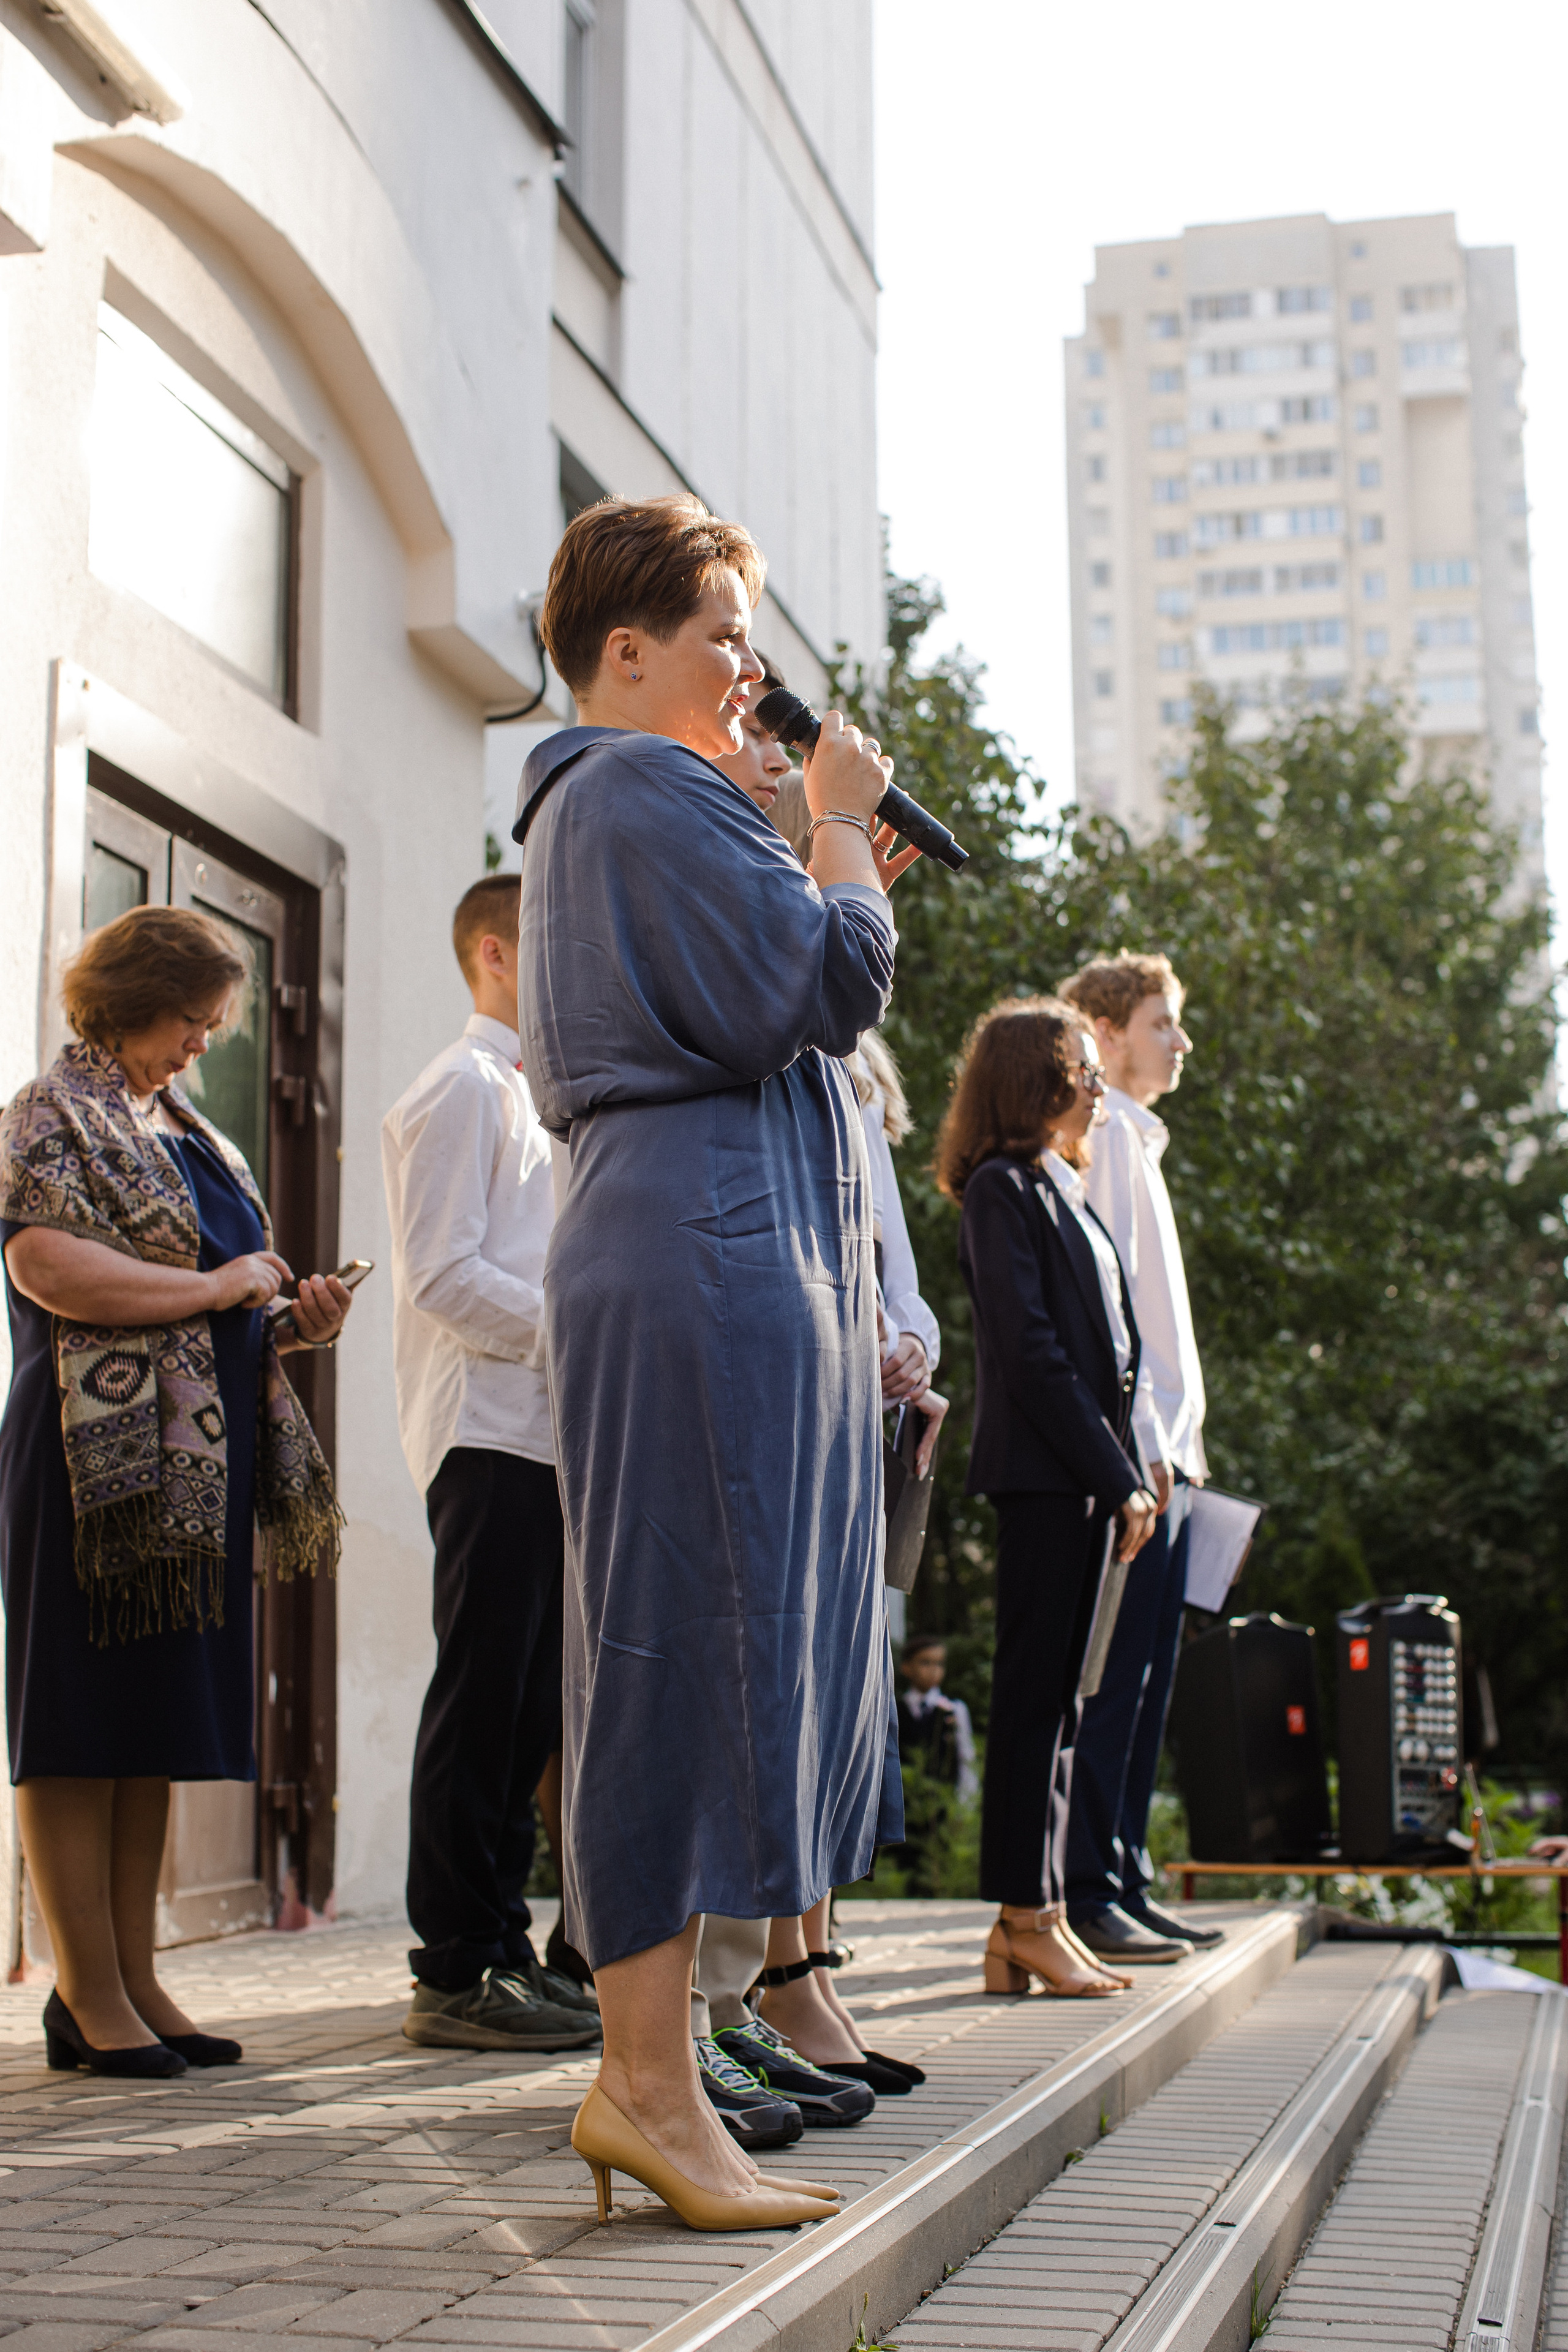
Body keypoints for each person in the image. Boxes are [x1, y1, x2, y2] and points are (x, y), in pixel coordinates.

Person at [514, 492, 901, 2231]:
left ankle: (666, 2084)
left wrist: (797, 848)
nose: (753, 667)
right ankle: (648, 2091)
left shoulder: (642, 803)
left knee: (702, 1641)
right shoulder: (639, 785)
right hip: (694, 1255)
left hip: (702, 1245)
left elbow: (782, 983)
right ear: (626, 648)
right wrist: (830, 838)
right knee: (674, 1649)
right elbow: (815, 990)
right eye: (725, 633)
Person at [0, 907, 350, 2077]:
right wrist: (210, 1291)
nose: (203, 1045)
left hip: (189, 1466)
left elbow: (220, 1301)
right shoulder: (54, 1113)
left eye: (213, 1026)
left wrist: (287, 1320)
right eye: (191, 1021)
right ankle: (83, 1993)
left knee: (147, 1723)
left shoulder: (186, 1126)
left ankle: (138, 1977)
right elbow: (48, 1266)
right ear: (132, 997)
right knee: (78, 1723)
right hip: (87, 1462)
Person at [380, 875, 600, 2056]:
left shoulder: (541, 1096)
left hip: (551, 1431)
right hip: (487, 1429)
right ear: (496, 955)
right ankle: (455, 1960)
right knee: (481, 1700)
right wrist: (580, 1332)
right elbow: (440, 1274)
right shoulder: (462, 1088)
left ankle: (505, 1944)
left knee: (529, 1714)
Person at [937, 997, 1159, 1999]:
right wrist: (1114, 1475)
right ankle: (1023, 1918)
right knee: (1034, 1704)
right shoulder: (999, 1188)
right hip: (1043, 1483)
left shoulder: (1056, 1185)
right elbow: (1029, 1352)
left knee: (1067, 1705)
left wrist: (1126, 1471)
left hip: (1085, 1482)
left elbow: (1107, 1350)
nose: (1097, 1082)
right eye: (1081, 1066)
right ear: (1034, 1079)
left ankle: (1042, 1919)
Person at [1058, 953, 1221, 1964]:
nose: (1181, 1041)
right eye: (1164, 1022)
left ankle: (1124, 1871)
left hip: (1174, 1458)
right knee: (1114, 1677)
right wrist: (1143, 1451)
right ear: (1107, 1031)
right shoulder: (1106, 1135)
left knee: (1152, 1675)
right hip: (1142, 1459)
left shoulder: (1144, 1143)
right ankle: (1088, 1888)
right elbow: (1109, 1315)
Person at [897, 1636, 978, 1801]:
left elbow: (966, 1759)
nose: (934, 1670)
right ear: (906, 1667)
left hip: (942, 1805)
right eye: (925, 1663)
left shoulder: (954, 1709)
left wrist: (963, 1805)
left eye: (940, 1664)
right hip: (905, 1805)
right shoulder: (895, 1709)